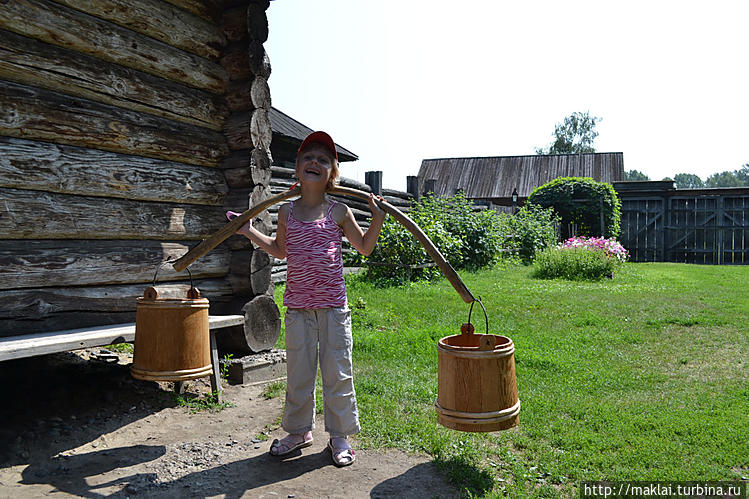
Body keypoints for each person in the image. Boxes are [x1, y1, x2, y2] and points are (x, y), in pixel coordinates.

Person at [234, 131, 385, 467]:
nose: (314, 162)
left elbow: (365, 247)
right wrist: (248, 231)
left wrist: (377, 218)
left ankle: (340, 436)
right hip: (298, 309)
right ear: (298, 168)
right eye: (308, 158)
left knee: (338, 373)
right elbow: (280, 250)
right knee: (299, 373)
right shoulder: (287, 212)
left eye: (323, 160)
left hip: (333, 309)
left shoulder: (339, 211)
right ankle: (299, 431)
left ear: (332, 172)